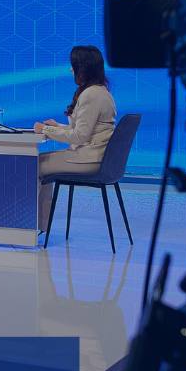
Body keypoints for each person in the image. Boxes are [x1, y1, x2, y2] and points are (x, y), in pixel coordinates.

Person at [33, 45, 117, 232]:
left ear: (83, 68)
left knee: (32, 165)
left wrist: (45, 129)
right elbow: (84, 130)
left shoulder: (91, 95)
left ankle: (26, 226)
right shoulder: (101, 91)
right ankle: (40, 226)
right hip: (96, 156)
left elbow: (79, 136)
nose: (71, 70)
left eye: (74, 65)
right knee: (37, 163)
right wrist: (57, 127)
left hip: (88, 159)